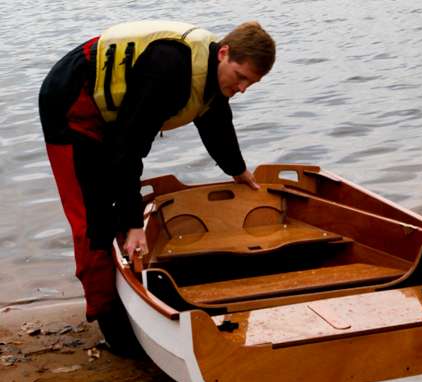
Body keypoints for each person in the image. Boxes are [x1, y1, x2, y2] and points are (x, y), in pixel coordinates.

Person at [38, 20, 276, 353]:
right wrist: (135, 224)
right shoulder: (168, 72)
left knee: (116, 195)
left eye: (251, 83)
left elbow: (214, 119)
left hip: (111, 113)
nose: (243, 88)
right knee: (92, 219)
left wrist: (237, 170)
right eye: (241, 77)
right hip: (70, 106)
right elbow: (128, 150)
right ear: (224, 53)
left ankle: (123, 277)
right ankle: (110, 323)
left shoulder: (210, 71)